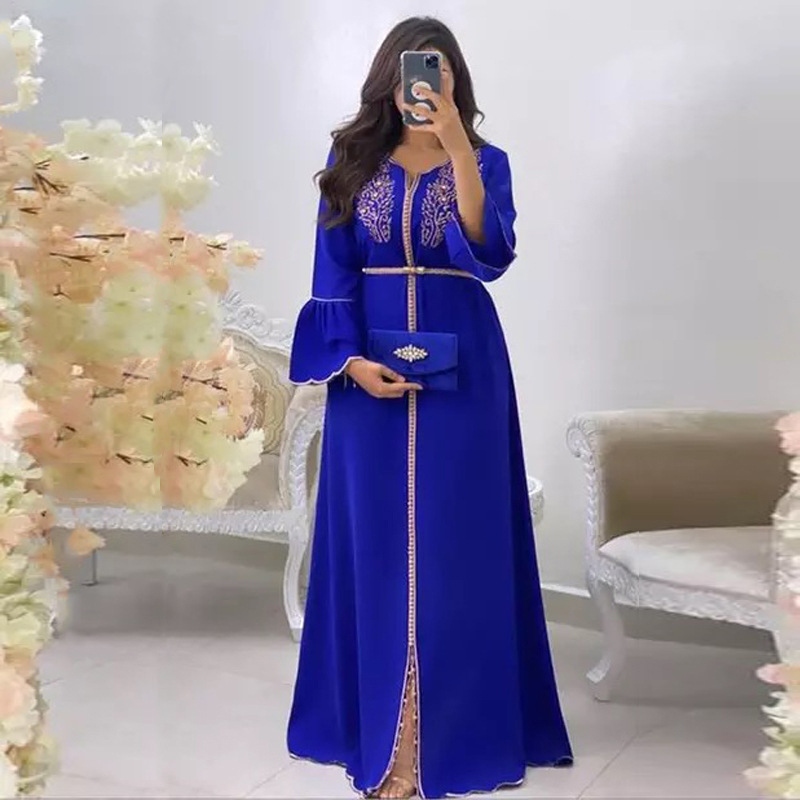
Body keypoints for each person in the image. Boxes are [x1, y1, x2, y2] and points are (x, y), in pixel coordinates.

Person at [286, 15, 573, 799]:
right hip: (367, 374)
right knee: (374, 545)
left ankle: (450, 732)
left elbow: (489, 250)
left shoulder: (485, 160)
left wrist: (455, 147)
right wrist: (351, 362)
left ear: (454, 81)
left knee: (458, 544)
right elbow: (332, 273)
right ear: (392, 77)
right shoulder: (351, 160)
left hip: (467, 367)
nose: (427, 83)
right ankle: (379, 726)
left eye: (440, 71)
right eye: (417, 70)